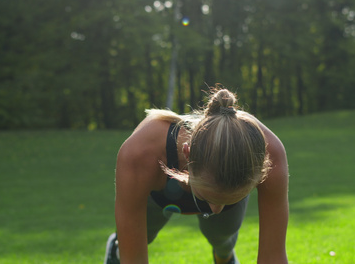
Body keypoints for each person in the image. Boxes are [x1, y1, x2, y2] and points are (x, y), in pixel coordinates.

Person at [104, 87, 289, 264]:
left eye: (232, 198)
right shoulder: (140, 153)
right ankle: (117, 249)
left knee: (222, 237)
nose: (216, 210)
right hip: (157, 193)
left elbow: (273, 257)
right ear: (188, 155)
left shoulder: (268, 153)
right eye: (208, 197)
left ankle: (225, 257)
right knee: (142, 237)